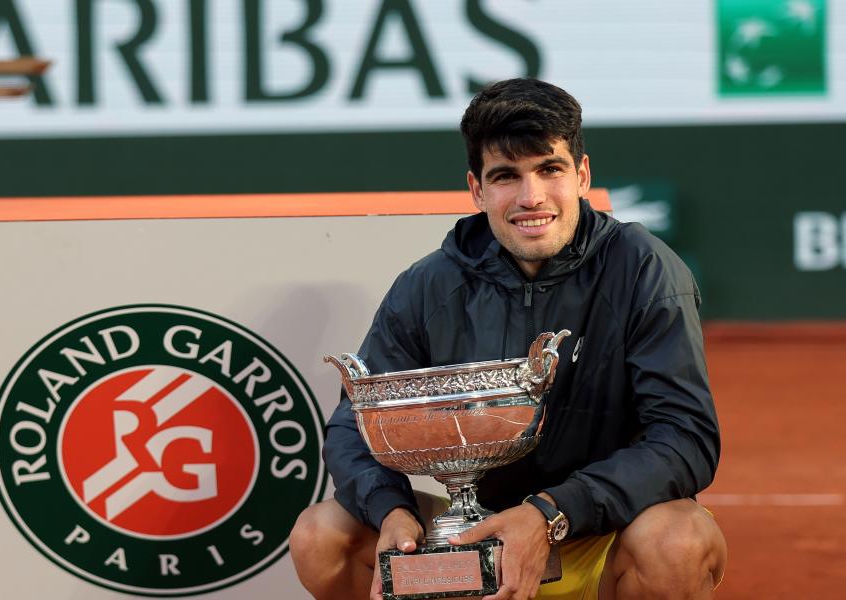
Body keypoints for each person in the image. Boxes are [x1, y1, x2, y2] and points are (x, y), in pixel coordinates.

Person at [289, 78, 727, 600]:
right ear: (477, 190)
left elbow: (685, 437)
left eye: (549, 169)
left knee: (677, 541)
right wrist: (391, 511)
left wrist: (550, 513)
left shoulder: (644, 268)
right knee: (323, 536)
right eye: (506, 176)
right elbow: (351, 427)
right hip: (472, 535)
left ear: (582, 175)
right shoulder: (429, 285)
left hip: (598, 536)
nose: (530, 197)